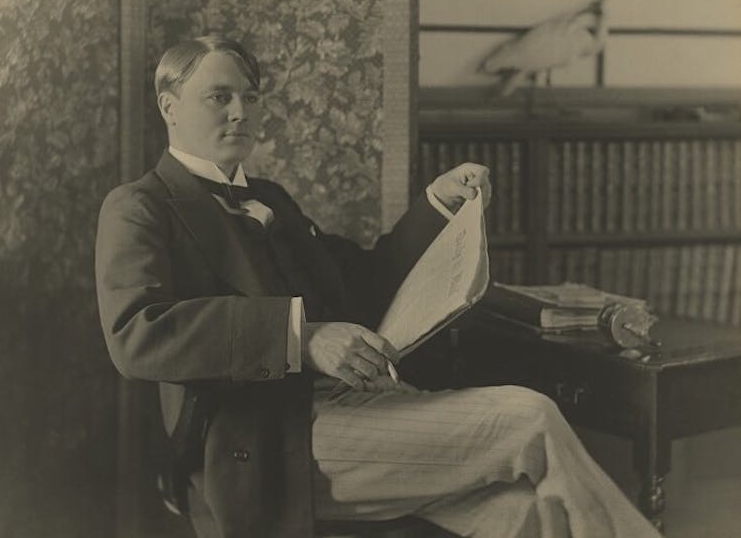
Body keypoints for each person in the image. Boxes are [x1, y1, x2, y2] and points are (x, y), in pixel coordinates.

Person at [95, 35, 660, 538]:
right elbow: (136, 333)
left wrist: (437, 204)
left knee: (524, 515)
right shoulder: (139, 205)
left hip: (358, 408)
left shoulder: (271, 198)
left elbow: (361, 282)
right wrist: (304, 337)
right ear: (169, 107)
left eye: (250, 97)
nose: (241, 112)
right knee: (529, 417)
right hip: (271, 443)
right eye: (220, 97)